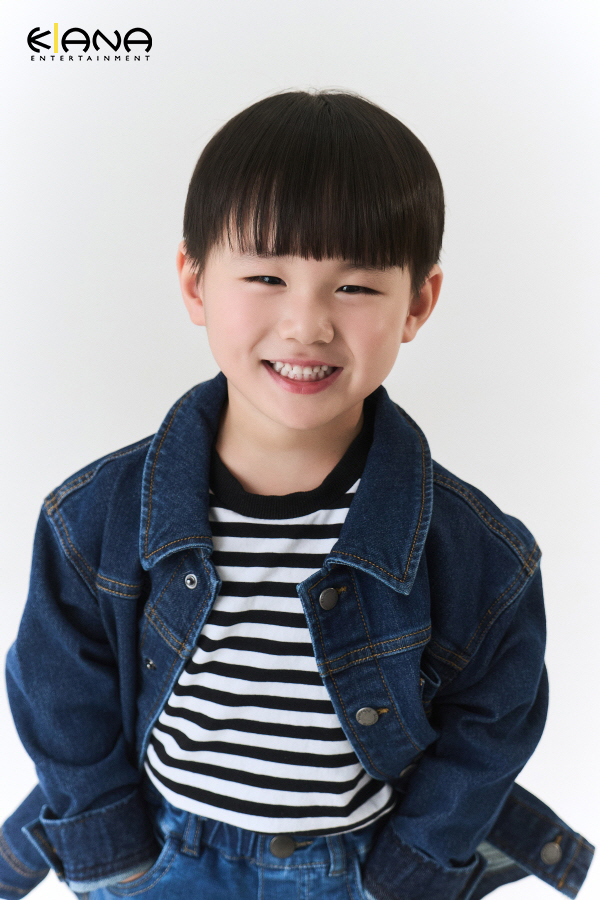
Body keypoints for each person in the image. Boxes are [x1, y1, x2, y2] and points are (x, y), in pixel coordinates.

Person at [0, 89, 594, 900]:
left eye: (355, 288)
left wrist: (408, 871)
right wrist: (116, 853)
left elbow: (493, 724)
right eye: (267, 276)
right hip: (162, 853)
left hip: (352, 867)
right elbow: (59, 688)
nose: (307, 324)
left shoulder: (476, 552)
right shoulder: (94, 514)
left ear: (418, 302)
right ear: (195, 282)